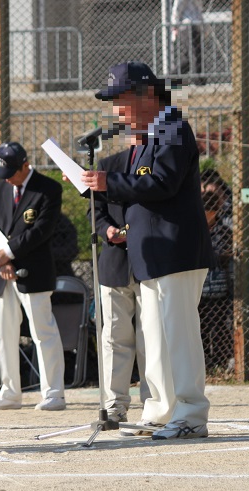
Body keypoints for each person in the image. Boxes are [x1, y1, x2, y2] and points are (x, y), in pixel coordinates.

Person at [80, 61, 215, 440]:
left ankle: (191, 413)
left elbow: (163, 183)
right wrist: (100, 184)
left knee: (179, 336)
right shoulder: (150, 134)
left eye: (121, 100)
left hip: (176, 251)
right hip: (153, 255)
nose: (117, 110)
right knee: (156, 339)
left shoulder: (172, 126)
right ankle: (161, 410)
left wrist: (108, 182)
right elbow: (138, 185)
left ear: (147, 96)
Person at [0, 142, 67, 412]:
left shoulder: (49, 188)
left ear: (25, 165)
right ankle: (9, 392)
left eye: (11, 173)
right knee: (4, 333)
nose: (6, 179)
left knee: (43, 331)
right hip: (1, 272)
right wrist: (2, 259)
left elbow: (41, 230)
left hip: (34, 272)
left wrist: (9, 253)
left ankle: (53, 393)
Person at [91, 149, 150, 426]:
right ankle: (114, 405)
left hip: (149, 259)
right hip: (115, 262)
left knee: (151, 336)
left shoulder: (155, 159)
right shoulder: (108, 164)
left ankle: (154, 403)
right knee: (114, 336)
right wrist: (106, 230)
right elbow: (95, 210)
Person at [199, 169, 235, 371]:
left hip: (219, 289)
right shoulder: (196, 231)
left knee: (220, 326)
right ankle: (204, 362)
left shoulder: (223, 230)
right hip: (200, 289)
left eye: (211, 211)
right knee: (201, 327)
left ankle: (222, 361)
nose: (208, 215)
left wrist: (213, 258)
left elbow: (226, 254)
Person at [171, 0, 204, 82]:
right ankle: (197, 79)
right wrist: (175, 25)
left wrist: (203, 27)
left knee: (189, 57)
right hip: (187, 25)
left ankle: (171, 77)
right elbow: (177, 8)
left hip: (196, 24)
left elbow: (199, 10)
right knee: (194, 53)